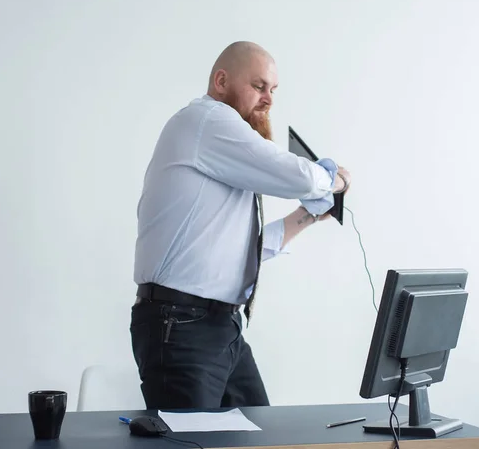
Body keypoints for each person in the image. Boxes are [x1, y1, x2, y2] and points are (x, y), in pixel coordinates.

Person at [130, 41, 351, 410]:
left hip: (221, 327)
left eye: (273, 90)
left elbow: (239, 251)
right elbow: (298, 175)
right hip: (181, 326)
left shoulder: (219, 149)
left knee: (261, 436)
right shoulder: (207, 121)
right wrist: (335, 180)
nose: (268, 99)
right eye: (259, 86)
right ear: (221, 81)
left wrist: (308, 216)